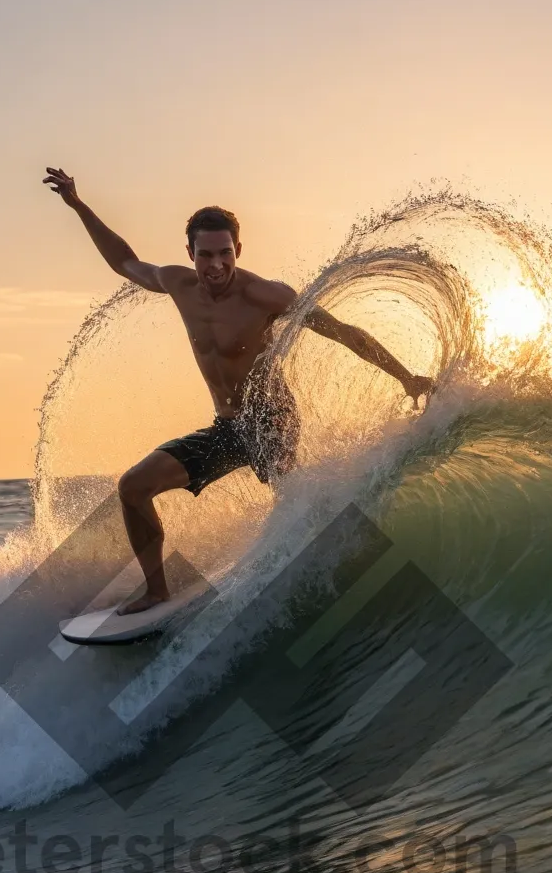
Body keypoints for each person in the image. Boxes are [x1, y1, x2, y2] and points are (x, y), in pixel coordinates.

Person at [45, 168, 434, 612]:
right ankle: (157, 590)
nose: (216, 265)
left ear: (239, 250)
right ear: (189, 253)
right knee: (133, 487)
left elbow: (346, 334)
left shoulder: (267, 296)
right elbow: (125, 262)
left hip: (273, 422)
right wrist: (78, 205)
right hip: (227, 428)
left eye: (225, 253)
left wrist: (407, 377)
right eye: (205, 255)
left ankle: (345, 578)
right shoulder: (178, 284)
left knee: (292, 510)